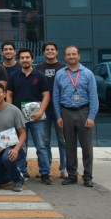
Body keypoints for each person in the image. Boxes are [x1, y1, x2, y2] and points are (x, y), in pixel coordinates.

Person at [53, 46, 98, 188]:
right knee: (69, 146)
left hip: (83, 112)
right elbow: (55, 96)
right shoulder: (60, 74)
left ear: (79, 56)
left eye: (74, 54)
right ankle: (72, 175)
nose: (71, 56)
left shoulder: (88, 74)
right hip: (66, 112)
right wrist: (58, 116)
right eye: (68, 54)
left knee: (86, 147)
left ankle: (88, 176)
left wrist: (91, 116)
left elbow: (93, 97)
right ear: (65, 57)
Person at [7, 48, 52, 185]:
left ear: (32, 60)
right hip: (19, 117)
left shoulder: (39, 76)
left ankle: (45, 173)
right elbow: (9, 94)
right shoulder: (14, 76)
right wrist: (11, 111)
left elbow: (46, 95)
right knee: (21, 146)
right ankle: (22, 171)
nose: (25, 60)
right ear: (19, 59)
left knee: (41, 145)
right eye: (22, 58)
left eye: (27, 57)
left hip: (36, 117)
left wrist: (40, 112)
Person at [0, 83, 27, 192]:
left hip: (14, 147)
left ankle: (16, 180)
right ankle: (17, 173)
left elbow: (23, 133)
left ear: (4, 94)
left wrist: (16, 149)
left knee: (7, 157)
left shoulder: (14, 110)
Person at [36, 41, 68, 178]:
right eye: (47, 49)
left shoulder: (63, 67)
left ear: (57, 52)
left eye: (52, 49)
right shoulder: (39, 68)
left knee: (63, 140)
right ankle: (46, 167)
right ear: (44, 52)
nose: (50, 51)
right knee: (45, 141)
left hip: (60, 109)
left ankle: (64, 168)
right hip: (44, 109)